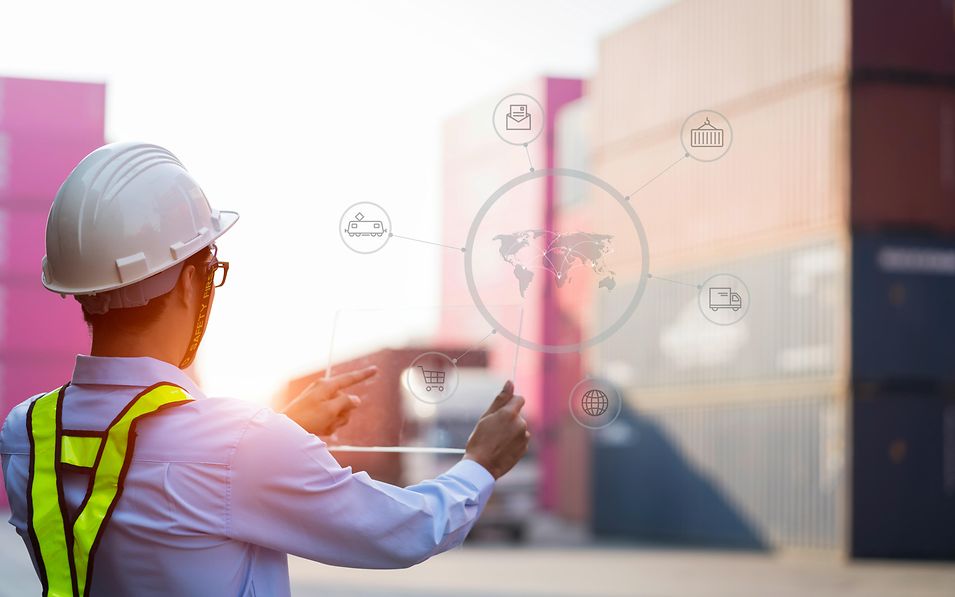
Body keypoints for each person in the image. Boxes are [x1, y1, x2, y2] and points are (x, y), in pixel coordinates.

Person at [0, 142, 529, 596]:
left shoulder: (26, 434)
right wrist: (480, 465)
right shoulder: (237, 444)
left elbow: (149, 487)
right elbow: (403, 530)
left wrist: (281, 431)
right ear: (193, 282)